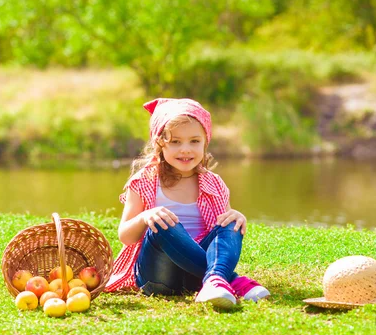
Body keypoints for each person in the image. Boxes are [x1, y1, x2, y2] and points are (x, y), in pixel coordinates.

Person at [104, 98, 270, 309]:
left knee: (231, 222)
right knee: (162, 222)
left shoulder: (213, 184)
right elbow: (125, 236)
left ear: (205, 143)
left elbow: (222, 237)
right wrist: (146, 217)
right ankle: (231, 280)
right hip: (158, 275)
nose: (185, 149)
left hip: (196, 278)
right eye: (175, 142)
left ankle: (214, 280)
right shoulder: (144, 181)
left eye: (194, 141)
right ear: (159, 144)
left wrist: (236, 217)